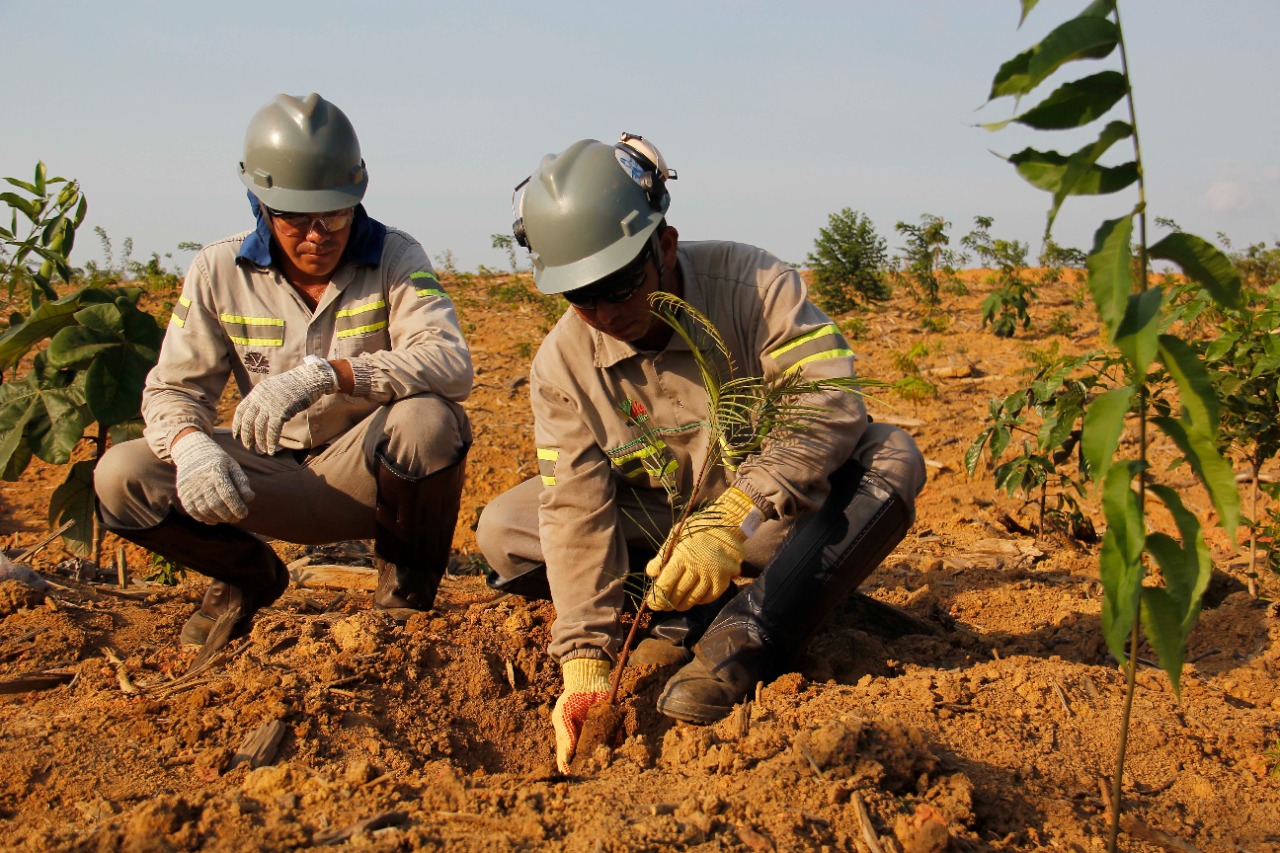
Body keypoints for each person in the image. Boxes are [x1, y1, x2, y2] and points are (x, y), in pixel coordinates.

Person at [476, 134, 927, 773]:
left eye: (622, 284)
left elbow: (829, 402)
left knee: (891, 456)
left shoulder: (755, 284)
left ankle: (743, 642)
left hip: (769, 518)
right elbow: (576, 505)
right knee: (506, 529)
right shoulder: (561, 364)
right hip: (660, 523)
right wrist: (584, 663)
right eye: (582, 297)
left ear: (664, 245)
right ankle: (702, 615)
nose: (605, 313)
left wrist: (735, 512)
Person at [95, 93, 472, 645]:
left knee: (429, 420)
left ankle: (399, 608)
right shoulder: (218, 269)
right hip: (262, 477)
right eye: (295, 218)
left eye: (335, 214)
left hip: (366, 474)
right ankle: (245, 576)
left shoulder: (395, 257)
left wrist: (330, 374)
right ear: (261, 204)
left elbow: (450, 362)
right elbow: (173, 388)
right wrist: (189, 445)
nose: (317, 234)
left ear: (357, 197)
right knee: (120, 475)